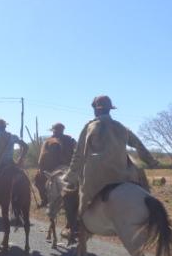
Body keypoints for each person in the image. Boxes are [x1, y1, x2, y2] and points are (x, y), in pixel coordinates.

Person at [64, 95, 159, 225]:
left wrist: (70, 177)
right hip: (121, 176)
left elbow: (78, 155)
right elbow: (138, 145)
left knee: (79, 204)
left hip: (95, 178)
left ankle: (75, 228)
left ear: (96, 110)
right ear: (110, 110)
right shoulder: (121, 127)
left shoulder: (89, 127)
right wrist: (151, 161)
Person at [34, 123, 76, 207]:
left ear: (53, 131)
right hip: (69, 168)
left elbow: (42, 156)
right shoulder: (70, 139)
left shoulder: (48, 141)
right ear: (63, 130)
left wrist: (40, 168)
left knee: (37, 180)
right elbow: (76, 152)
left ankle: (44, 200)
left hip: (53, 170)